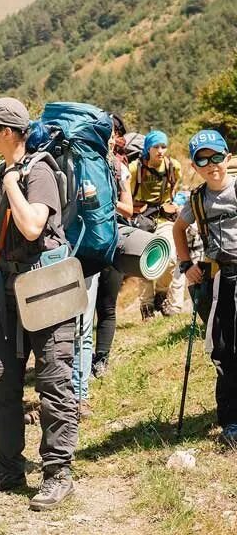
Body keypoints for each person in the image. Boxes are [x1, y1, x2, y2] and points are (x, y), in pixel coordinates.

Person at [0, 98, 78, 511]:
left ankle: (57, 474)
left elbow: (33, 226)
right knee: (2, 380)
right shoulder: (3, 172)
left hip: (46, 285)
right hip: (11, 287)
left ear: (9, 132)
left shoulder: (40, 170)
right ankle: (10, 467)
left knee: (52, 380)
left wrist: (11, 184)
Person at [173, 130, 237, 448]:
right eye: (203, 159)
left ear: (227, 156)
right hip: (220, 279)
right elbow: (178, 229)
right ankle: (231, 421)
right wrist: (186, 265)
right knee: (225, 349)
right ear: (195, 165)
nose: (212, 165)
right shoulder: (198, 199)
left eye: (216, 157)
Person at [91, 114, 133, 379]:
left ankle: (101, 359)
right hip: (85, 241)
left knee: (106, 306)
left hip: (112, 238)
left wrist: (106, 200)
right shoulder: (82, 164)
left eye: (111, 130)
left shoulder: (119, 168)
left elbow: (128, 209)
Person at [129, 130, 185, 319]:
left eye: (163, 146)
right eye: (156, 147)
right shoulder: (134, 169)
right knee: (144, 262)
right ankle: (146, 307)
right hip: (142, 219)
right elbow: (126, 194)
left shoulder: (173, 166)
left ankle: (161, 293)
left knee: (169, 258)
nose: (160, 151)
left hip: (164, 217)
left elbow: (175, 186)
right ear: (148, 148)